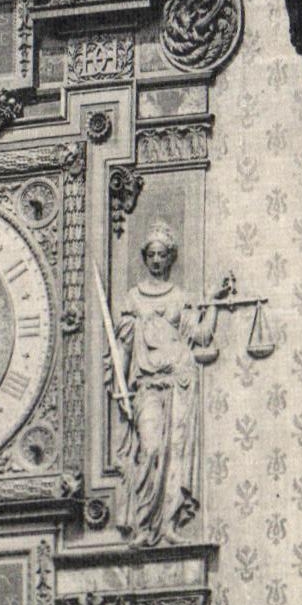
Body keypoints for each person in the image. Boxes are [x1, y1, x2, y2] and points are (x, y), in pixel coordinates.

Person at [108, 223, 234, 548]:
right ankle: (144, 524)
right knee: (149, 450)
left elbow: (202, 336)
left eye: (162, 254)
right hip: (147, 387)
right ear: (144, 257)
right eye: (150, 254)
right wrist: (120, 385)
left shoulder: (180, 299)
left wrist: (214, 304)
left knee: (175, 454)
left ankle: (168, 524)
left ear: (170, 258)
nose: (156, 260)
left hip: (179, 383)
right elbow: (122, 346)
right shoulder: (133, 300)